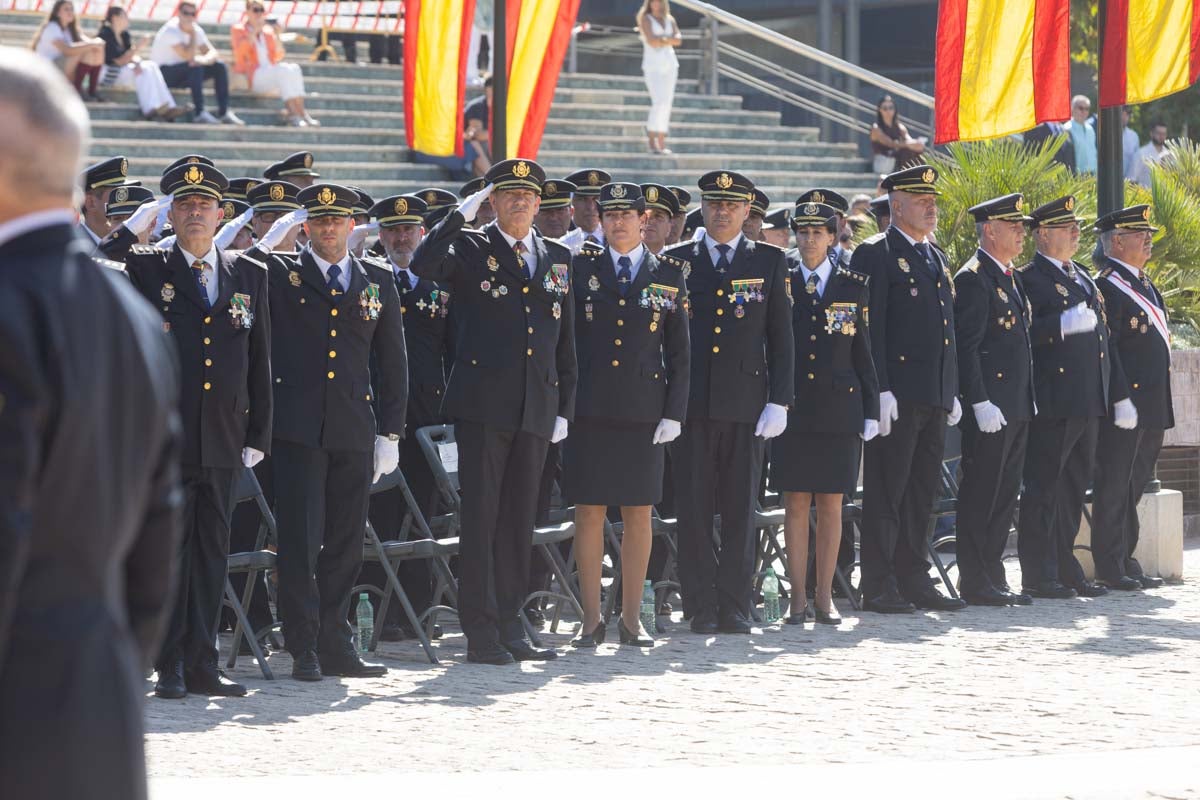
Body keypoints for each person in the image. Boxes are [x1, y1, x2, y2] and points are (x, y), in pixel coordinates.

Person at [0, 47, 182, 799]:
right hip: (96, 708)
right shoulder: (134, 317)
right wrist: (104, 662)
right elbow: (156, 542)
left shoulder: (11, 309)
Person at [100, 161, 273, 697]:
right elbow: (99, 260)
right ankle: (168, 662)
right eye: (184, 205)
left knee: (210, 552)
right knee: (168, 552)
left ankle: (204, 661)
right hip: (165, 437)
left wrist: (258, 434)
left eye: (204, 206)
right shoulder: (148, 265)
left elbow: (259, 358)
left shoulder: (249, 273)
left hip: (224, 433)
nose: (195, 213)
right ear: (170, 214)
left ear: (222, 214)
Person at [410, 159, 576, 664]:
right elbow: (423, 264)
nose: (520, 203)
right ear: (493, 201)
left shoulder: (556, 255)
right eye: (508, 195)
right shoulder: (470, 247)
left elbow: (564, 340)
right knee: (481, 521)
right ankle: (480, 631)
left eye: (528, 195)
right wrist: (459, 216)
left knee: (519, 522)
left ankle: (511, 623)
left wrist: (563, 405)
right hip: (483, 406)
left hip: (536, 406)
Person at [250, 183, 407, 680]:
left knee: (345, 540)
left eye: (337, 221)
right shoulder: (281, 273)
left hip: (353, 429)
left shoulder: (376, 277)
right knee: (300, 539)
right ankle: (303, 643)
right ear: (307, 227)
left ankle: (337, 638)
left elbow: (392, 361)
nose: (329, 229)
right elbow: (241, 269)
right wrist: (269, 238)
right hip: (298, 431)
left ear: (351, 225)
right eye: (319, 222)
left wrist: (392, 431)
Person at [663, 170, 793, 633]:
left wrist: (780, 401)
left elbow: (782, 339)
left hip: (746, 407)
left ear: (746, 211)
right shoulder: (677, 260)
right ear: (703, 208)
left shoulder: (771, 261)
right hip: (691, 407)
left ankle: (736, 602)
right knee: (694, 509)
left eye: (731, 206)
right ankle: (699, 604)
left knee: (742, 509)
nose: (722, 212)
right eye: (714, 204)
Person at [565, 182, 690, 648]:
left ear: (645, 219)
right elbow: (567, 343)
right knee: (589, 512)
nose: (618, 221)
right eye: (609, 213)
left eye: (627, 214)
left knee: (640, 514)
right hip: (591, 409)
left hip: (643, 411)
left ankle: (632, 618)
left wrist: (674, 412)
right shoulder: (582, 269)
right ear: (599, 219)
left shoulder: (669, 274)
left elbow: (680, 352)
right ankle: (591, 620)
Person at [853, 165, 966, 614]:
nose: (931, 206)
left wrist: (950, 387)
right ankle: (878, 583)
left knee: (922, 493)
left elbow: (946, 330)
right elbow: (868, 327)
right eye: (922, 200)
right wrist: (878, 389)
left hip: (933, 394)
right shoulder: (875, 253)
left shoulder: (933, 256)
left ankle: (913, 576)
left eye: (932, 199)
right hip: (896, 397)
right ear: (896, 205)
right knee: (888, 492)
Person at [772, 202, 878, 625]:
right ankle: (797, 597)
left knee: (832, 503)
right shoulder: (782, 280)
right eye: (803, 232)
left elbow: (863, 349)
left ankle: (824, 595)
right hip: (794, 406)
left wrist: (871, 406)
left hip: (839, 406)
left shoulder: (853, 284)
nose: (810, 239)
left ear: (833, 236)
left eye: (819, 232)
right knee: (795, 503)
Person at [1016, 195, 1110, 599]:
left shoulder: (1082, 276)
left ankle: (1064, 561)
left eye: (1076, 227)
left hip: (1086, 398)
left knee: (1073, 488)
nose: (1075, 233)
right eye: (1066, 228)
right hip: (1054, 400)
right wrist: (1059, 325)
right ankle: (1039, 570)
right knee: (1044, 487)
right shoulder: (1029, 278)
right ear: (1042, 235)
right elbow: (1021, 335)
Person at [362, 193, 443, 639]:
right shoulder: (370, 284)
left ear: (421, 233)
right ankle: (378, 611)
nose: (400, 237)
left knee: (426, 516)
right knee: (380, 518)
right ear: (380, 236)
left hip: (427, 422)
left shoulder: (435, 289)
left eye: (408, 229)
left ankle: (420, 611)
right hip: (380, 420)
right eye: (392, 230)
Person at [951, 194, 1036, 607]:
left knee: (1005, 495)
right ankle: (975, 579)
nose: (1022, 232)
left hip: (1015, 405)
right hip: (991, 409)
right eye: (1013, 225)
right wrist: (979, 401)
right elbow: (967, 348)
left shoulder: (1009, 276)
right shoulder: (973, 278)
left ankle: (993, 573)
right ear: (990, 230)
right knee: (982, 493)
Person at [1091, 205, 1172, 591]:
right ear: (1116, 242)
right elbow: (1112, 349)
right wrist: (1121, 397)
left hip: (1152, 402)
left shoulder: (1145, 283)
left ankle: (1125, 555)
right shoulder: (1107, 285)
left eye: (1149, 234)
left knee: (1135, 482)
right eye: (1140, 235)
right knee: (1114, 483)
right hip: (1126, 405)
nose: (1148, 240)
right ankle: (1109, 563)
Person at [151, 1, 244, 125]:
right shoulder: (170, 31)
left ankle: (224, 112)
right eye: (186, 13)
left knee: (219, 67)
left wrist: (203, 59)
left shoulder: (195, 29)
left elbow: (212, 53)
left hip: (186, 71)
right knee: (195, 67)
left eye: (192, 14)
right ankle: (199, 113)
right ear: (178, 13)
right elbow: (188, 56)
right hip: (163, 74)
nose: (189, 17)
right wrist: (193, 35)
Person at [231, 1, 319, 127]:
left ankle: (302, 112)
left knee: (294, 67)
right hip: (253, 75)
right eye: (255, 10)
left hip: (270, 73)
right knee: (283, 70)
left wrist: (277, 35)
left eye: (261, 10)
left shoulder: (267, 32)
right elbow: (240, 53)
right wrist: (255, 31)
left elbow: (278, 56)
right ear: (247, 12)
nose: (259, 13)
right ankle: (292, 113)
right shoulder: (238, 29)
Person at [96, 4, 183, 120]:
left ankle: (169, 106)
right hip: (109, 74)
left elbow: (131, 57)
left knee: (150, 65)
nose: (128, 19)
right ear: (114, 18)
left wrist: (137, 63)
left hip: (121, 71)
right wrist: (138, 47)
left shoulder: (124, 35)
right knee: (144, 70)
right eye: (125, 16)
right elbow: (118, 62)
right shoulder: (105, 34)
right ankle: (150, 109)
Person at [29, 0, 106, 100]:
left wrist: (97, 43)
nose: (70, 12)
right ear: (57, 13)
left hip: (62, 67)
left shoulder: (71, 29)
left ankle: (92, 90)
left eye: (72, 9)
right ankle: (76, 90)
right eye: (66, 9)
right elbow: (67, 50)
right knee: (79, 51)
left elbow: (90, 43)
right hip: (47, 70)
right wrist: (93, 44)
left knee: (93, 50)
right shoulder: (52, 27)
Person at [637, 0, 680, 155]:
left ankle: (661, 141)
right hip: (652, 66)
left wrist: (662, 39)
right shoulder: (645, 19)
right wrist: (668, 39)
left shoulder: (670, 19)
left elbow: (678, 40)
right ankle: (651, 139)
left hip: (670, 65)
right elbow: (652, 41)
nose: (656, 3)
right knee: (658, 101)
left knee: (667, 102)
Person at [78, 155, 135, 247]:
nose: (126, 202)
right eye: (118, 196)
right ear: (90, 202)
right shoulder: (73, 249)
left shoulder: (127, 244)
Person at [869, 95, 925, 175]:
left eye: (891, 108)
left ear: (895, 109)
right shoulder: (876, 128)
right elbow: (891, 144)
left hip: (897, 160)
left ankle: (918, 176)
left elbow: (908, 139)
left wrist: (917, 144)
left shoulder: (900, 126)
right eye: (885, 108)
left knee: (915, 150)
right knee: (905, 150)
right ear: (879, 110)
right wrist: (909, 144)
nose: (888, 111)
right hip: (883, 163)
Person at [640, 182, 679, 254]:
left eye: (658, 216)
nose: (650, 221)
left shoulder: (683, 263)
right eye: (644, 215)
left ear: (669, 227)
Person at [1126, 121, 1168, 187]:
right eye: (1158, 133)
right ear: (1151, 134)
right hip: (1145, 195)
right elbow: (1131, 180)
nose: (1161, 136)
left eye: (1164, 134)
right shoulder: (1141, 154)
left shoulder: (1169, 155)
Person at [1064, 95, 1096, 174]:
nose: (1084, 112)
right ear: (1072, 109)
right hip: (1077, 176)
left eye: (1087, 109)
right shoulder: (1066, 129)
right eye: (1081, 108)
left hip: (1093, 176)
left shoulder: (1090, 129)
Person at [1121, 107, 1140, 177]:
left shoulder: (1134, 136)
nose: (1124, 117)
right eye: (1122, 114)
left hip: (1128, 182)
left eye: (1127, 114)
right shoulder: (1107, 134)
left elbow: (1136, 161)